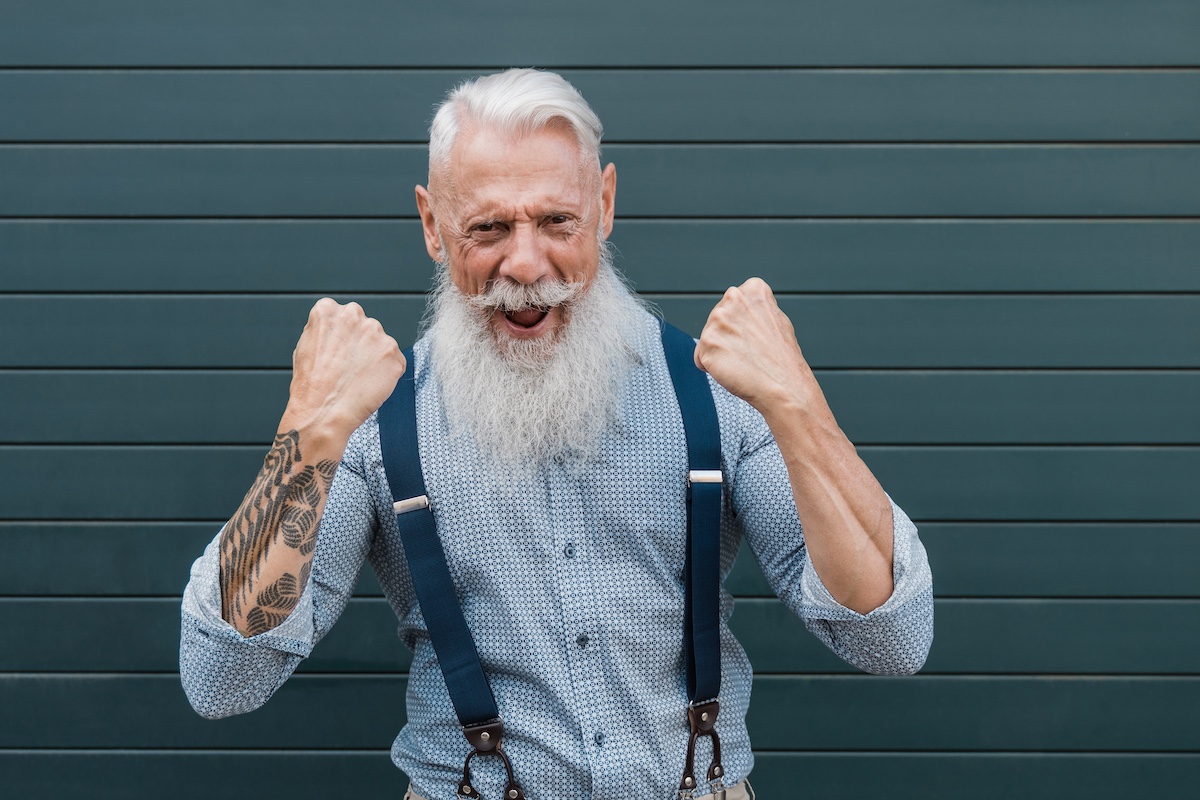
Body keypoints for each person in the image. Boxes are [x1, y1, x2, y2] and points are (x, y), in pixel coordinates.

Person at [180, 68, 934, 800]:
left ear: (603, 205)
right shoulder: (379, 422)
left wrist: (800, 405)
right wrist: (307, 432)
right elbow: (223, 680)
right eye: (489, 228)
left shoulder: (717, 391)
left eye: (555, 221)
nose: (527, 263)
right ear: (432, 225)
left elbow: (890, 641)